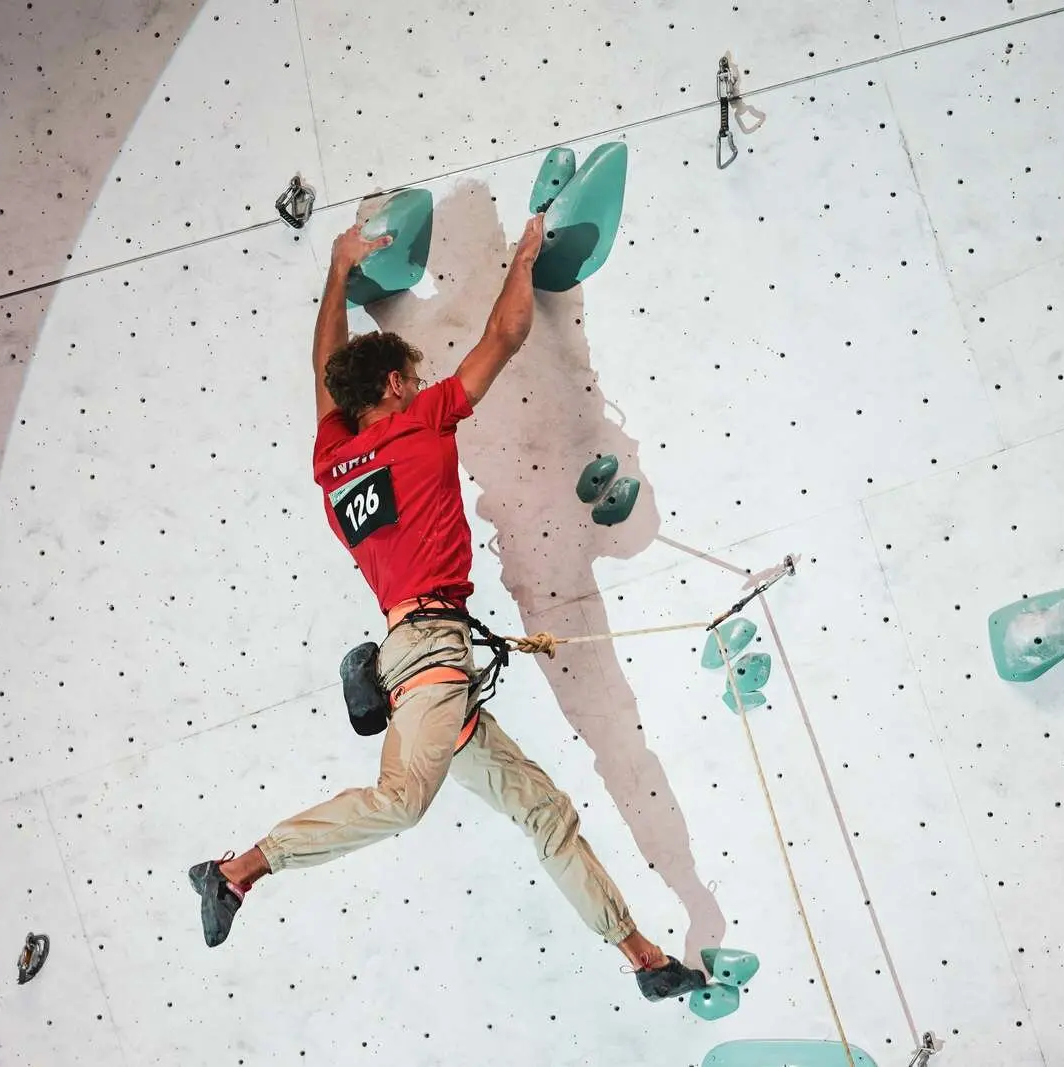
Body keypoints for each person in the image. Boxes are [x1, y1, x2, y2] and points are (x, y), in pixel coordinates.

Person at [188, 212, 707, 1003]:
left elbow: (326, 361)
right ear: (397, 387)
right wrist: (524, 258)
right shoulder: (421, 421)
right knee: (400, 802)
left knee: (542, 808)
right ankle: (239, 869)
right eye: (413, 374)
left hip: (432, 659)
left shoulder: (332, 457)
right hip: (430, 656)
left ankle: (640, 954)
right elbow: (501, 337)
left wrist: (337, 270)